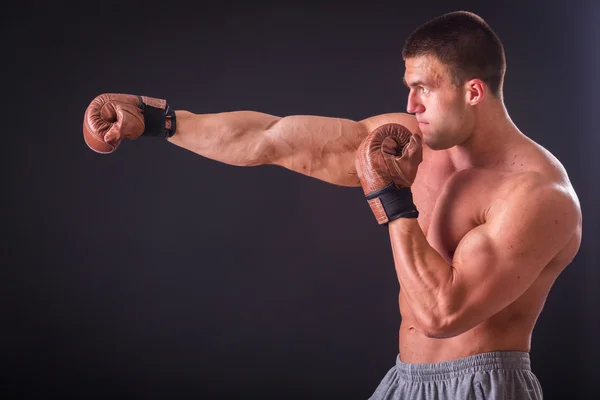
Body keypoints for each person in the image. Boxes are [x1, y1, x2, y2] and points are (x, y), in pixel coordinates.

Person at [82, 11, 582, 400]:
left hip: (482, 387)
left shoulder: (537, 195)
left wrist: (390, 197)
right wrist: (159, 122)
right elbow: (270, 138)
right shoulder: (411, 143)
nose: (410, 107)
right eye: (408, 89)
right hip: (405, 379)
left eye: (423, 89)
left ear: (472, 91)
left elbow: (442, 313)